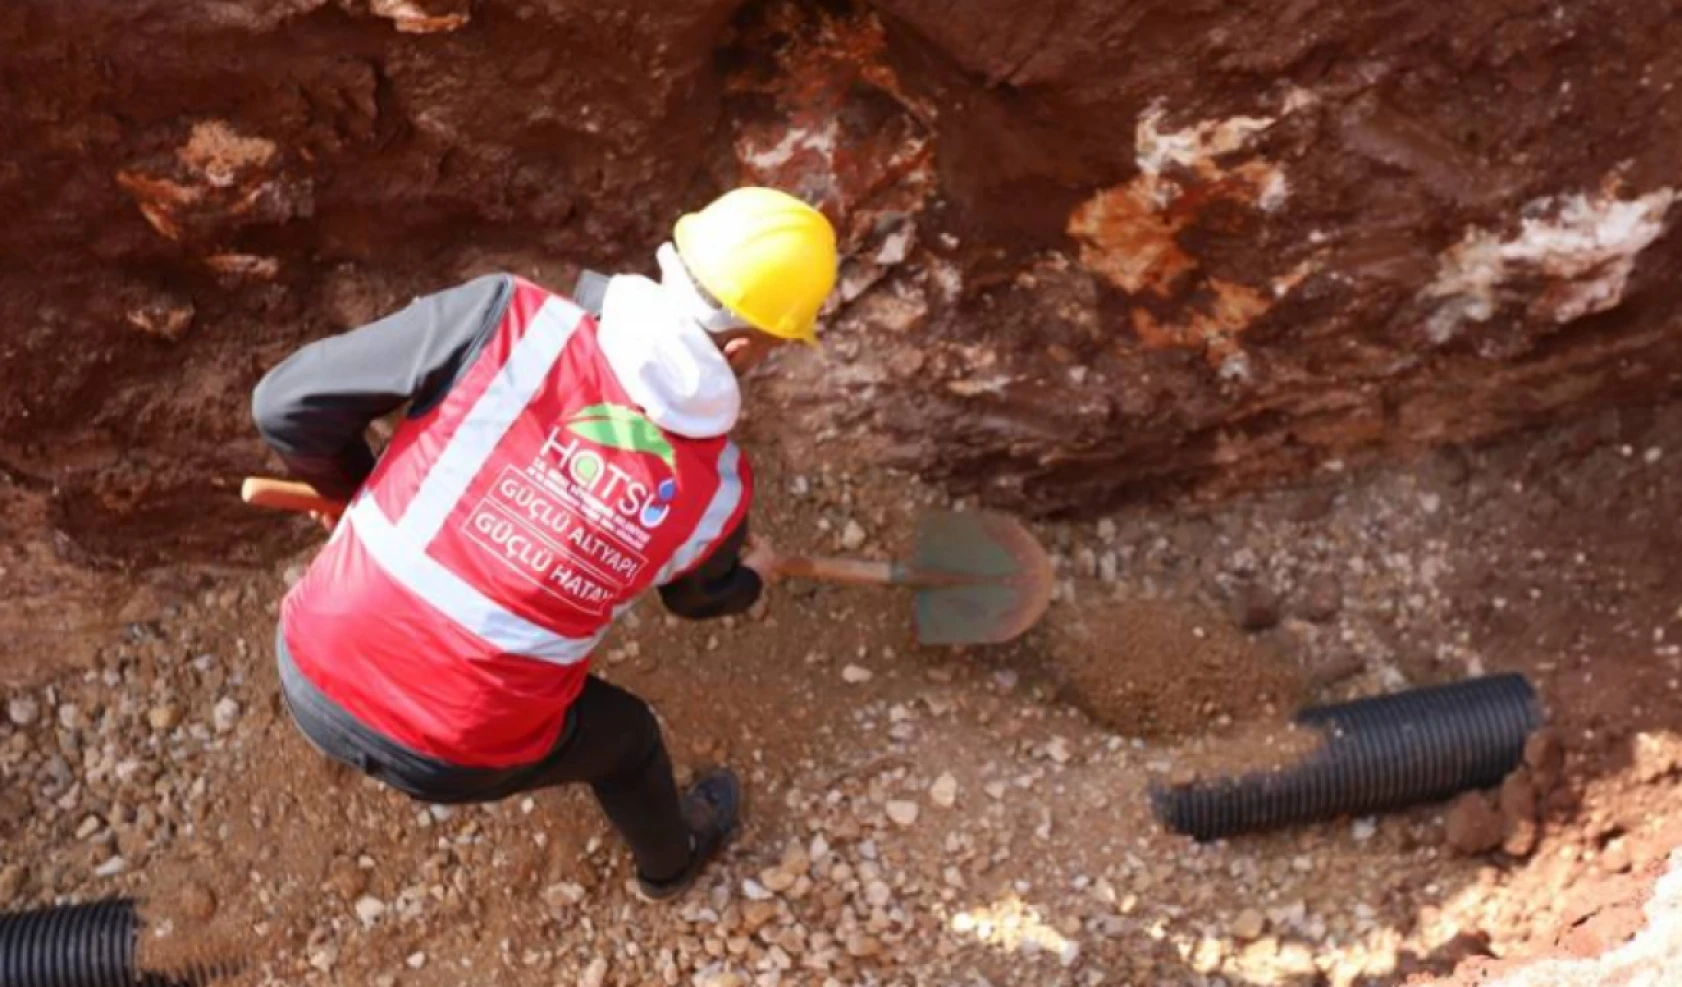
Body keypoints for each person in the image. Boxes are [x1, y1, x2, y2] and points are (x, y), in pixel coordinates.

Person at [250, 187, 838, 901]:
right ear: (742, 349)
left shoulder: (503, 318)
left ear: (673, 258)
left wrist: (349, 486)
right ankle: (671, 865)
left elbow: (285, 405)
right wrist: (749, 578)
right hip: (457, 755)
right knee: (629, 742)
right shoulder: (714, 489)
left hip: (311, 663)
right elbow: (697, 598)